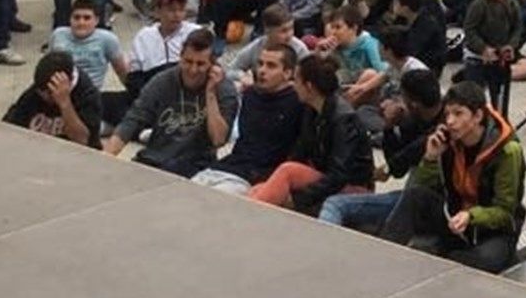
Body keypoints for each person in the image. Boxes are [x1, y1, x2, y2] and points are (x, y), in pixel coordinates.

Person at [380, 80, 526, 272]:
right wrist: (431, 158)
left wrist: (471, 216)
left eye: (458, 114)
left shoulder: (507, 151)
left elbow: (505, 211)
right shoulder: (448, 141)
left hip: (492, 230)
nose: (450, 121)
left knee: (478, 261)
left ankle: (452, 256)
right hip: (454, 217)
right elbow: (419, 187)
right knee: (415, 197)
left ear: (477, 116)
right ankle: (384, 253)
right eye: (447, 114)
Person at [248, 53, 377, 211]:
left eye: (296, 81)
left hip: (352, 185)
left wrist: (300, 199)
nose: (293, 85)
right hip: (325, 178)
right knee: (259, 188)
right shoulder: (311, 110)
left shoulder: (344, 120)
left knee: (287, 171)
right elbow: (300, 153)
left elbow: (339, 174)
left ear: (308, 86)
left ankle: (250, 214)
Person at [102, 28, 236, 176]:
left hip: (196, 164)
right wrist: (105, 158)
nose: (193, 70)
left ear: (212, 64)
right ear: (180, 57)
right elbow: (133, 120)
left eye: (200, 64)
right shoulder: (162, 81)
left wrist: (210, 94)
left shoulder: (224, 89)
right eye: (188, 62)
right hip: (155, 158)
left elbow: (218, 139)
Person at [191, 42, 305, 193]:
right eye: (260, 64)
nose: (262, 70)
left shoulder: (298, 102)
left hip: (256, 178)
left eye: (271, 66)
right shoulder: (251, 95)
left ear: (288, 73)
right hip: (227, 167)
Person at [0, 50, 103, 148]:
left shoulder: (87, 94)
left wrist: (65, 104)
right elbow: (8, 126)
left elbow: (83, 140)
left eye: (50, 93)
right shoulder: (37, 91)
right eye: (41, 93)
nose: (45, 98)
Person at [48, 0, 129, 93]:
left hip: (90, 95)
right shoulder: (58, 35)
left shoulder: (108, 39)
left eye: (87, 18)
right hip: (59, 92)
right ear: (70, 19)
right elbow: (48, 67)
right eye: (76, 17)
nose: (81, 22)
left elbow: (122, 71)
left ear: (96, 20)